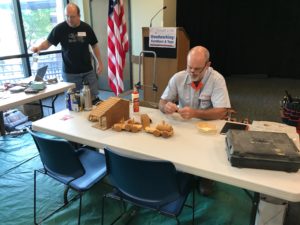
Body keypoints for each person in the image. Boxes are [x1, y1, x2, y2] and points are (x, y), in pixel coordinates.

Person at [159, 46, 231, 195]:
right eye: (189, 67)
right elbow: (161, 102)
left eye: (197, 69)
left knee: (208, 152)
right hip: (185, 126)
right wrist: (166, 107)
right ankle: (183, 169)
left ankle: (206, 176)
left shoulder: (217, 80)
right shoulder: (178, 77)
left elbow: (222, 111)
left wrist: (195, 113)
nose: (192, 72)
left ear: (208, 65)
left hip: (209, 128)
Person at [31, 3, 103, 103]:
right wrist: (38, 47)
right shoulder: (60, 29)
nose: (69, 19)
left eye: (72, 16)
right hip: (70, 73)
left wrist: (99, 62)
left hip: (87, 70)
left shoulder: (86, 28)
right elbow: (48, 43)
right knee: (74, 101)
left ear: (79, 16)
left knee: (93, 97)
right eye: (67, 16)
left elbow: (94, 45)